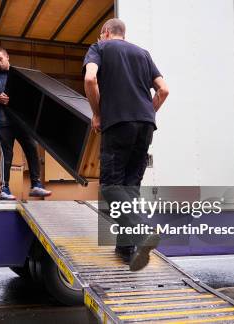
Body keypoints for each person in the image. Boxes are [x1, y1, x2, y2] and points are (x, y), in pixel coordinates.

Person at [83, 18, 169, 271]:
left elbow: (90, 79)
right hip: (145, 125)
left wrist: (97, 114)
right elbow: (163, 89)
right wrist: (147, 113)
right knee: (129, 189)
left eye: (101, 35)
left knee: (111, 187)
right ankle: (125, 248)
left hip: (118, 124)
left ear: (106, 33)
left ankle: (141, 233)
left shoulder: (99, 48)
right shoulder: (143, 54)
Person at [0, 47, 52, 200]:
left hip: (22, 122)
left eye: (0, 59)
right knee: (7, 155)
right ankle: (4, 189)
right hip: (3, 123)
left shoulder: (20, 76)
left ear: (7, 57)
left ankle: (36, 185)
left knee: (32, 148)